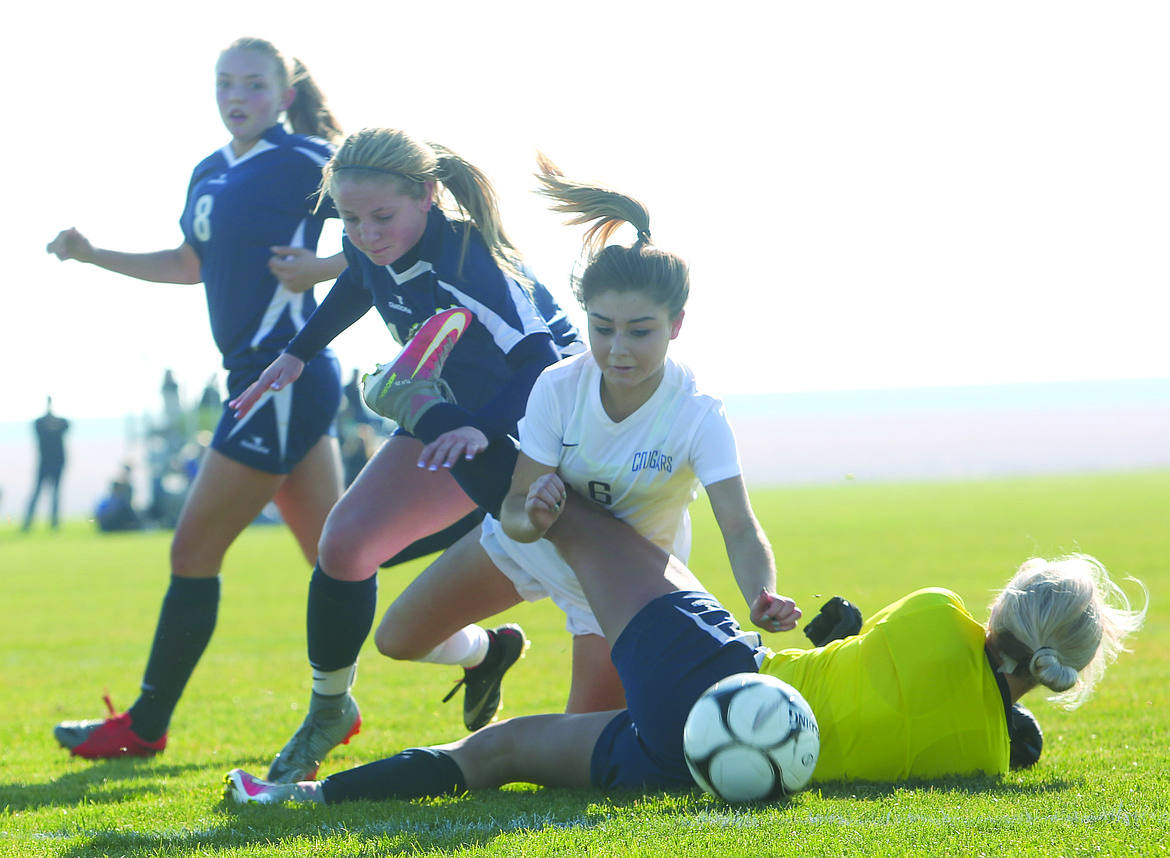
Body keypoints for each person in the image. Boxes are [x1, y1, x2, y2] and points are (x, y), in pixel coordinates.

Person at [225, 492, 1145, 803]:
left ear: (1007, 604)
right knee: (504, 753)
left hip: (721, 680)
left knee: (575, 515)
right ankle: (293, 801)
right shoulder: (985, 759)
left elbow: (864, 646)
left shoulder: (943, 613)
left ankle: (298, 797)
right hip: (700, 767)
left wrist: (834, 629)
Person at [371, 155, 787, 733]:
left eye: (640, 331)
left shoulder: (697, 414)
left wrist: (762, 595)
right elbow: (514, 511)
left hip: (617, 589)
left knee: (583, 744)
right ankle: (489, 653)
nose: (618, 348)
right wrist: (531, 517)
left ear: (677, 324)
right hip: (532, 549)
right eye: (601, 327)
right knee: (396, 638)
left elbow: (740, 528)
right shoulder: (558, 385)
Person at [228, 128, 583, 783]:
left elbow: (543, 363)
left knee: (590, 599)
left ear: (426, 195)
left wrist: (481, 429)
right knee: (345, 546)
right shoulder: (370, 241)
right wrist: (296, 354)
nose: (364, 233)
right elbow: (360, 281)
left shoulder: (469, 261)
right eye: (350, 218)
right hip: (454, 418)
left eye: (381, 217)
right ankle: (333, 710)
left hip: (545, 429)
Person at [47, 36, 349, 759]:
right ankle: (474, 649)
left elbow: (403, 230)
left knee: (193, 549)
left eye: (251, 84)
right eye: (224, 84)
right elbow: (190, 263)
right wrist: (94, 256)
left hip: (282, 378)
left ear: (283, 93)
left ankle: (146, 726)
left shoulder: (311, 160)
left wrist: (326, 266)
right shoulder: (209, 171)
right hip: (254, 382)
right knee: (340, 562)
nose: (235, 97)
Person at [21, 396, 70, 532]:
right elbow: (44, 428)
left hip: (57, 462)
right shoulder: (39, 423)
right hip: (45, 462)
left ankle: (54, 524)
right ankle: (28, 524)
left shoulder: (60, 422)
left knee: (55, 494)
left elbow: (66, 426)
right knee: (38, 493)